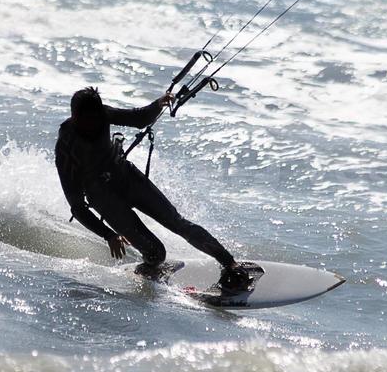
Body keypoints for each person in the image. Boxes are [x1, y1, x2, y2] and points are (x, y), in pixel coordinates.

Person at [55, 86, 251, 292]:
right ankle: (147, 268)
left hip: (126, 177)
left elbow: (138, 119)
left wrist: (158, 104)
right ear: (74, 116)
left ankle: (229, 263)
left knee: (179, 223)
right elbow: (77, 207)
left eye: (96, 118)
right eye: (87, 121)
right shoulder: (66, 148)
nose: (93, 125)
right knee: (157, 254)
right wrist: (108, 235)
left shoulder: (103, 113)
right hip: (104, 198)